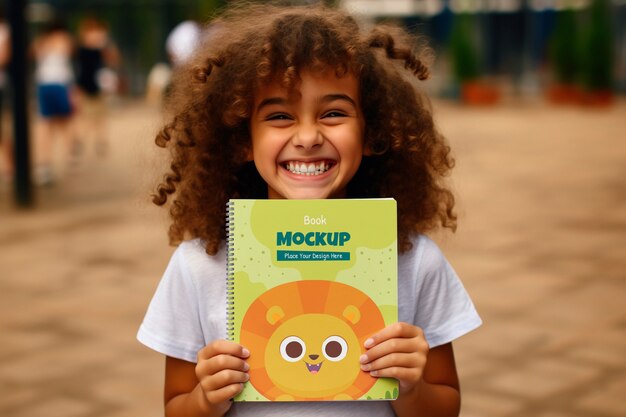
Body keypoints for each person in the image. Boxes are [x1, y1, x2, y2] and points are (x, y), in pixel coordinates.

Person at [137, 3, 481, 417]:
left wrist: (411, 387)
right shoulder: (198, 266)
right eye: (279, 115)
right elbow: (176, 407)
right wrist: (205, 398)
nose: (307, 136)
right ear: (243, 140)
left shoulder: (414, 261)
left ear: (371, 133)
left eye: (334, 113)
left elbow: (445, 404)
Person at [31, 19, 77, 186]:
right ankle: (68, 155)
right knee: (63, 122)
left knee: (47, 125)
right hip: (58, 84)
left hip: (45, 84)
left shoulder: (42, 41)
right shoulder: (62, 39)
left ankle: (45, 165)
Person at [75, 16, 120, 156]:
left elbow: (114, 60)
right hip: (86, 87)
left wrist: (106, 43)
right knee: (87, 117)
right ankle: (80, 141)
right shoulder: (83, 50)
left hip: (98, 87)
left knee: (100, 117)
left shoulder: (101, 49)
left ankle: (100, 142)